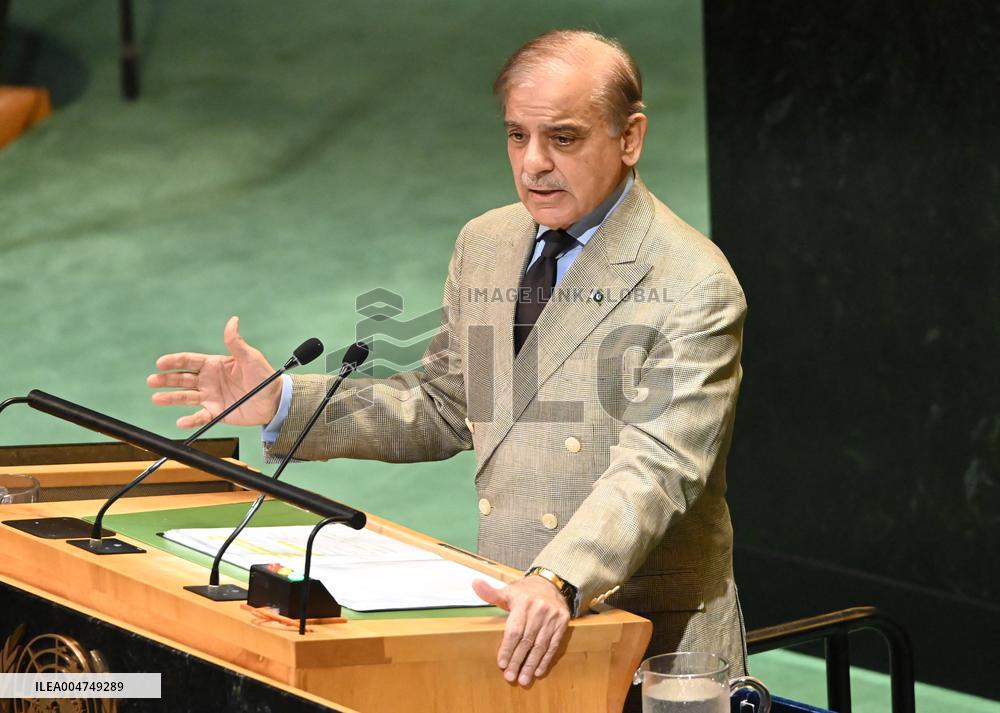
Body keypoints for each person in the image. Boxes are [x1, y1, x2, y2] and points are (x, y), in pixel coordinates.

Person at [147, 29, 748, 709]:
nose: (533, 164)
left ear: (630, 137)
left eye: (564, 138)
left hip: (646, 647)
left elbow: (658, 468)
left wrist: (558, 577)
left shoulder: (693, 281)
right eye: (517, 136)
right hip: (514, 624)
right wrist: (284, 401)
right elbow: (442, 404)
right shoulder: (489, 243)